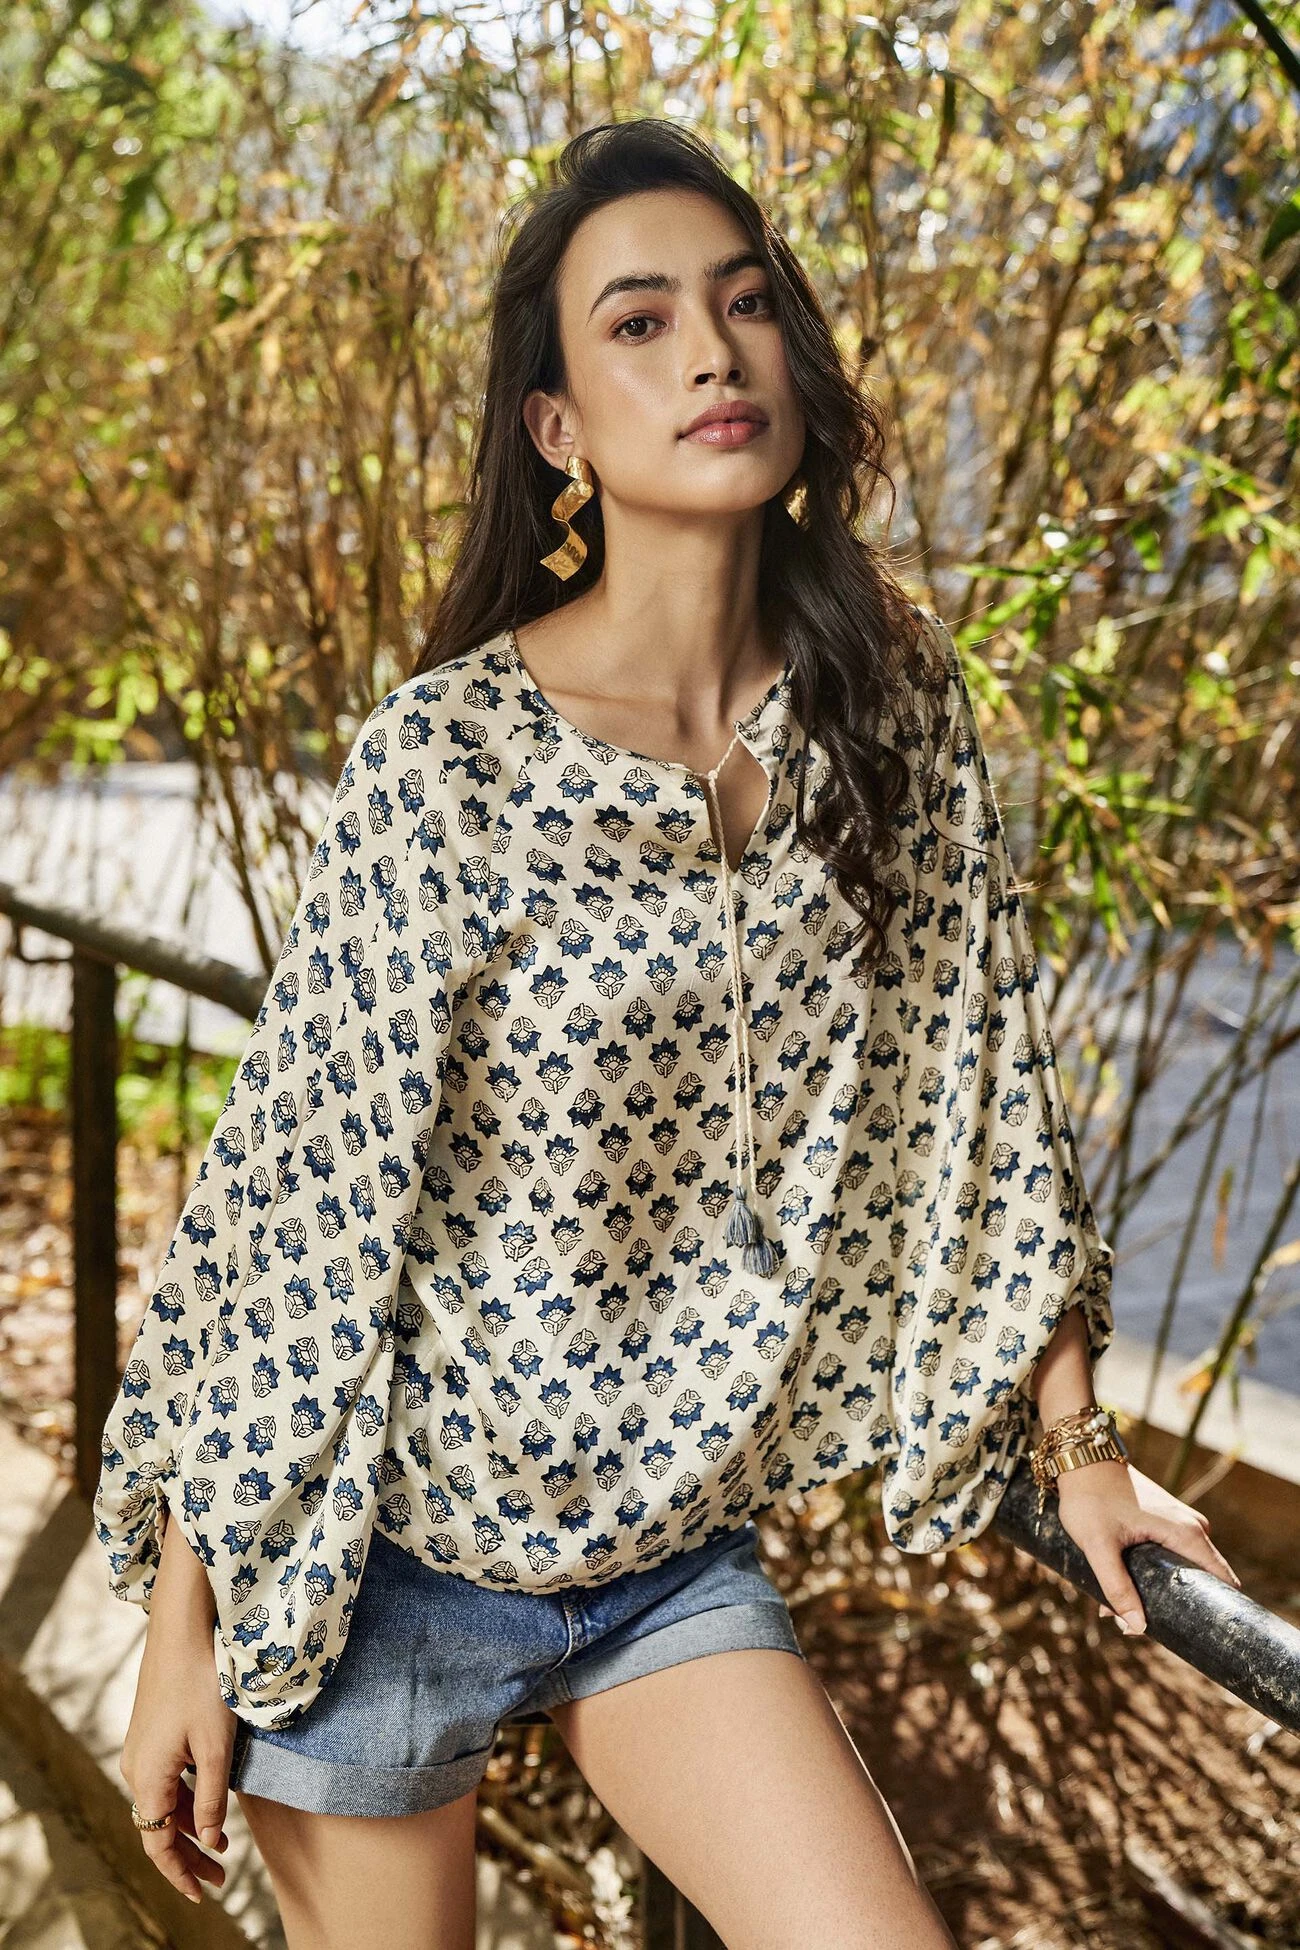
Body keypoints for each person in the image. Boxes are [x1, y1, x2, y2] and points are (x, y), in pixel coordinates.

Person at [93, 118, 1240, 1950]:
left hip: (665, 1564)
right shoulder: (446, 761)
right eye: (639, 322)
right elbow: (293, 1209)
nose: (712, 351)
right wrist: (183, 1622)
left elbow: (980, 1088)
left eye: (745, 301)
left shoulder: (887, 708)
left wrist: (1077, 1437)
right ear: (558, 426)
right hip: (384, 1567)